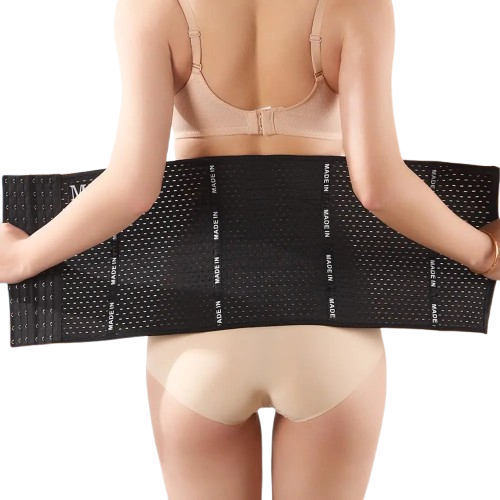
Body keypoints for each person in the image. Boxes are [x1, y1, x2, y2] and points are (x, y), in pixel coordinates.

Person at [0, 0, 497, 499]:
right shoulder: (359, 6)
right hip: (330, 337)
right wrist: (483, 252)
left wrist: (24, 256)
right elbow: (381, 188)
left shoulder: (152, 7)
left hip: (197, 342)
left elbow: (130, 189)